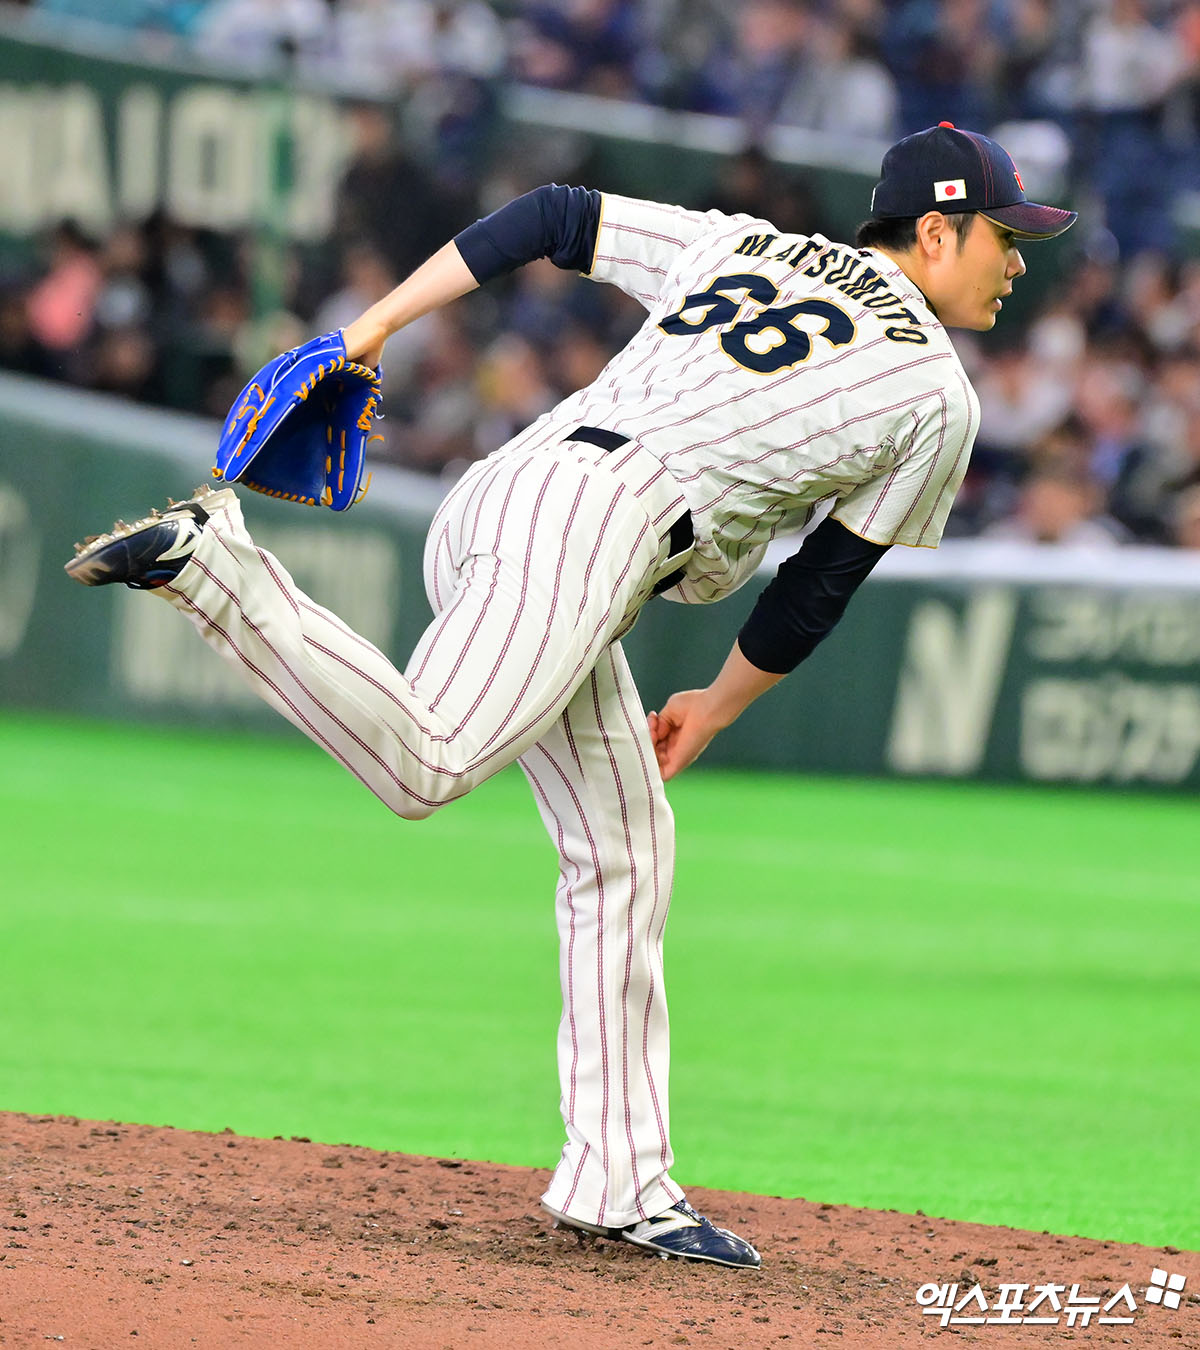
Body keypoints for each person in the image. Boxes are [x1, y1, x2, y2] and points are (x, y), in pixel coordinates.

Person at [66, 123, 1075, 1268]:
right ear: (935, 231)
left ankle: (620, 1182)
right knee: (428, 764)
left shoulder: (744, 244)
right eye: (1004, 236)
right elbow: (819, 586)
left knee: (625, 842)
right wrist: (718, 703)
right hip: (595, 530)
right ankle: (214, 568)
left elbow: (555, 215)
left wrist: (373, 325)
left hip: (511, 490)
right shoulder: (935, 392)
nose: (1018, 261)